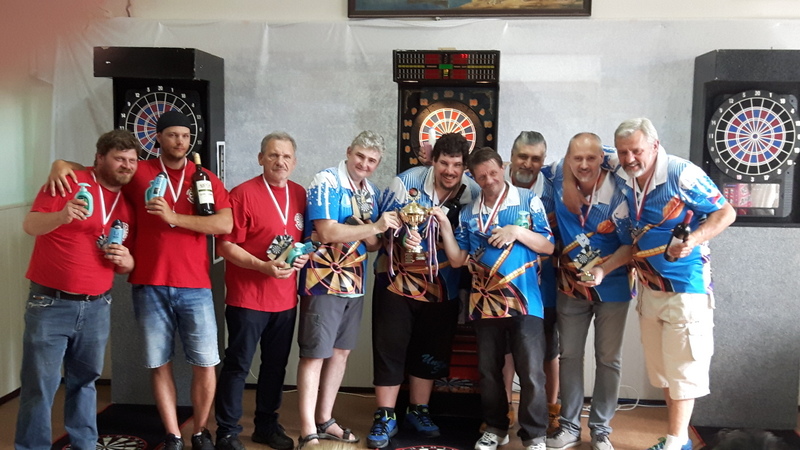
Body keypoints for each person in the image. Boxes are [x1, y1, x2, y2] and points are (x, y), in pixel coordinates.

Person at [47, 110, 233, 450]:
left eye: (185, 136)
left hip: (196, 285)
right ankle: (172, 434)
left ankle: (200, 431)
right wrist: (60, 164)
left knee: (206, 363)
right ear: (158, 138)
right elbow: (97, 170)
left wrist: (174, 217)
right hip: (149, 283)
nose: (180, 141)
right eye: (173, 135)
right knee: (158, 363)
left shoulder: (203, 177)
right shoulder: (139, 171)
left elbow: (224, 224)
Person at [612, 118, 735, 450]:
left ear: (655, 145)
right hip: (650, 287)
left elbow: (726, 212)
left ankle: (676, 442)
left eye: (636, 151)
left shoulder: (683, 174)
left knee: (683, 371)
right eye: (622, 152)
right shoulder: (624, 171)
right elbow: (589, 153)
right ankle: (676, 439)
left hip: (686, 289)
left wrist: (694, 239)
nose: (628, 158)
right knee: (664, 371)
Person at [16, 129, 138, 450]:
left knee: (85, 383)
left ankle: (84, 445)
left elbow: (125, 264)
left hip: (97, 305)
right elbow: (30, 225)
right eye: (119, 159)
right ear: (99, 158)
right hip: (50, 303)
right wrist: (61, 215)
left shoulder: (127, 204)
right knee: (39, 387)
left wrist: (126, 260)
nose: (126, 166)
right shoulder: (69, 182)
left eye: (131, 161)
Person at [437, 147, 555, 450]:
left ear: (502, 168)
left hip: (525, 301)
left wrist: (516, 231)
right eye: (481, 177)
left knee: (531, 371)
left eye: (493, 173)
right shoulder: (469, 212)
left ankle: (534, 435)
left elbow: (548, 246)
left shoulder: (528, 200)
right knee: (488, 372)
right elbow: (457, 259)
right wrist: (446, 226)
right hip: (485, 302)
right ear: (473, 177)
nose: (489, 180)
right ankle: (496, 427)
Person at [368, 132, 480, 449]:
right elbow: (380, 226)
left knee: (430, 347)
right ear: (433, 161)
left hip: (443, 283)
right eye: (444, 163)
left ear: (465, 166)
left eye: (456, 165)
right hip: (397, 279)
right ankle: (385, 414)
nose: (450, 171)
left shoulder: (473, 192)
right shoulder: (405, 182)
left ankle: (419, 410)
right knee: (389, 346)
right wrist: (403, 237)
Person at [296, 131, 401, 449]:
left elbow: (373, 244)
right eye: (360, 156)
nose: (364, 164)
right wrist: (373, 227)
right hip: (322, 280)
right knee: (315, 354)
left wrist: (373, 229)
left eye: (372, 160)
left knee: (340, 353)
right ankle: (307, 427)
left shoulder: (370, 191)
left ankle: (325, 419)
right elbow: (327, 231)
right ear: (348, 152)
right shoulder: (326, 180)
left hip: (354, 282)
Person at [213, 132, 310, 450]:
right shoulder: (241, 194)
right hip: (248, 297)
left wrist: (303, 257)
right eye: (273, 155)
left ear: (294, 162)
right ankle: (227, 431)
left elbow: (303, 241)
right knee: (238, 365)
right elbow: (225, 246)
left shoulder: (300, 194)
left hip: (285, 299)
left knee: (275, 366)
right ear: (260, 158)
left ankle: (266, 425)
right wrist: (261, 266)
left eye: (286, 156)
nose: (280, 161)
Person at [545, 133, 632, 450]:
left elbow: (631, 245)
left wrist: (603, 270)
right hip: (571, 285)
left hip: (613, 284)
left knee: (608, 359)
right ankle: (569, 426)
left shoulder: (620, 189)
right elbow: (519, 166)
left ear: (602, 159)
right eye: (577, 158)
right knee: (569, 355)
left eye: (591, 158)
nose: (584, 165)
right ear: (567, 159)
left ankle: (601, 430)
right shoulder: (557, 173)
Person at [507, 131, 560, 433]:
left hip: (544, 285)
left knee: (548, 350)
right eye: (523, 156)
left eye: (536, 158)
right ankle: (504, 410)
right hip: (502, 284)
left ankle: (551, 411)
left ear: (544, 160)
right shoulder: (494, 184)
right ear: (511, 157)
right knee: (505, 350)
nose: (528, 163)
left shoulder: (554, 191)